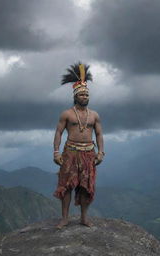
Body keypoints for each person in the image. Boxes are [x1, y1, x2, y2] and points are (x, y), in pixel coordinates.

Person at [53, 63, 105, 229]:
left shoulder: (94, 115)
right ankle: (65, 218)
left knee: (85, 187)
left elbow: (98, 134)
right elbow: (59, 133)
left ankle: (84, 218)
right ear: (75, 96)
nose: (84, 96)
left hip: (89, 153)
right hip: (70, 153)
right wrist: (56, 152)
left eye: (86, 94)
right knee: (66, 186)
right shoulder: (67, 114)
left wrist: (101, 153)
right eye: (81, 94)